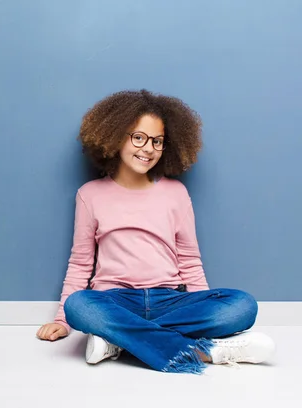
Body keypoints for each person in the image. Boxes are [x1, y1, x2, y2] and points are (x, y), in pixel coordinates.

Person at [36, 89, 275, 374]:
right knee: (80, 307)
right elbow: (80, 264)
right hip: (114, 300)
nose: (148, 148)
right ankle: (207, 352)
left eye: (157, 141)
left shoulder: (175, 193)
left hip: (171, 300)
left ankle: (119, 342)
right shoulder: (90, 195)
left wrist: (204, 304)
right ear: (114, 136)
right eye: (139, 137)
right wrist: (63, 320)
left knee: (242, 306)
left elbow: (189, 260)